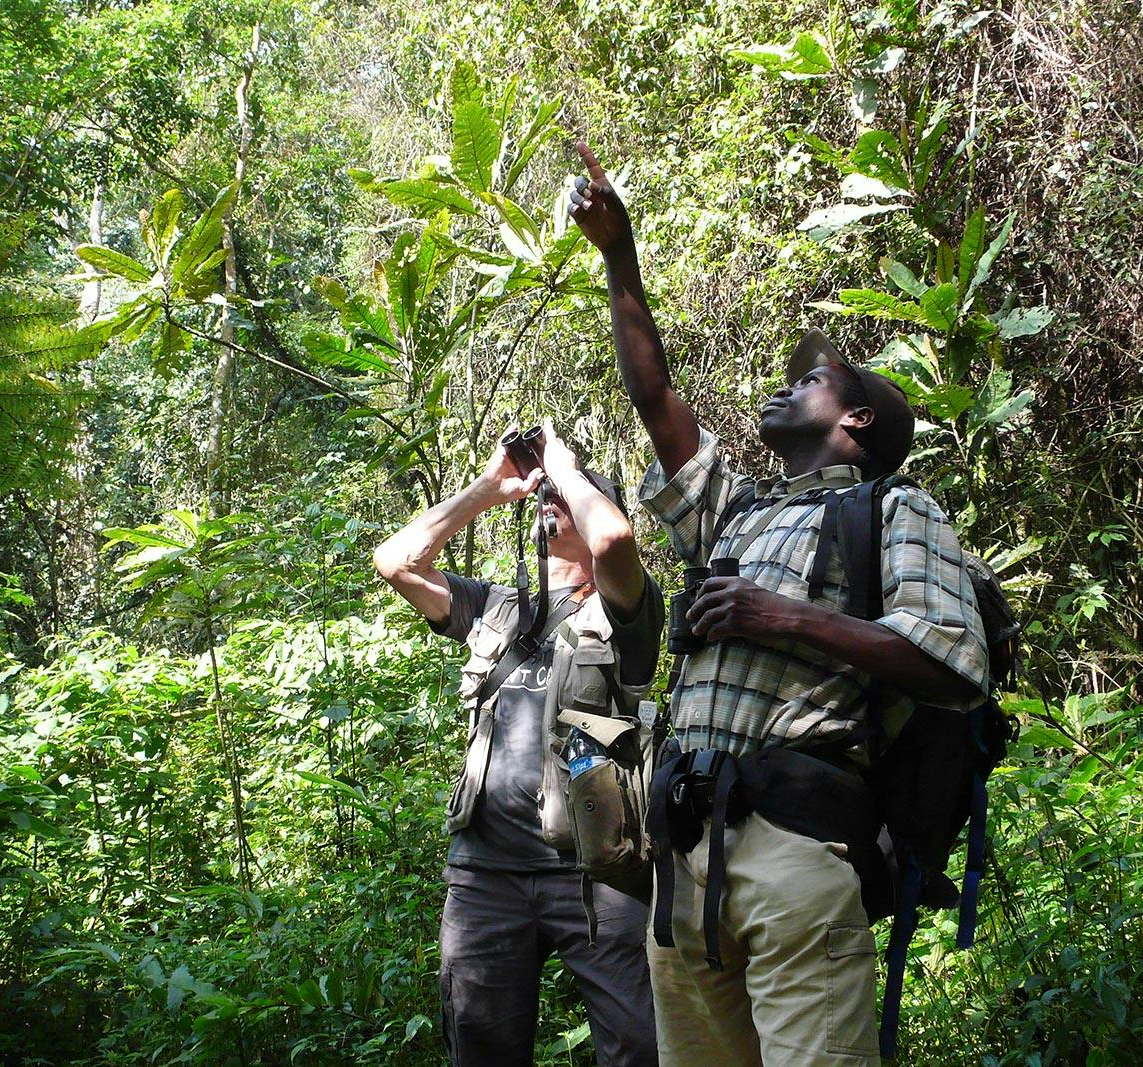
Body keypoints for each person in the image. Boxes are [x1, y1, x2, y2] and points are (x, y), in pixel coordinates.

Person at [567, 142, 990, 1065]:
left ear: (858, 420)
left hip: (798, 851)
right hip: (683, 867)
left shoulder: (895, 509)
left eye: (809, 380)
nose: (783, 385)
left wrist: (776, 616)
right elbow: (655, 398)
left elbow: (953, 662)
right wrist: (619, 255)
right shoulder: (740, 506)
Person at [373, 422, 665, 1067]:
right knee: (480, 1046)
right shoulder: (496, 607)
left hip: (599, 871)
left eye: (569, 496)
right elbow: (395, 562)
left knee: (637, 1045)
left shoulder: (625, 609)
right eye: (548, 497)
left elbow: (614, 538)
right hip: (487, 874)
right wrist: (487, 486)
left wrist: (564, 464)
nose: (552, 500)